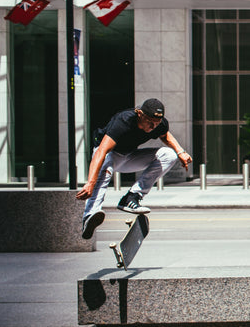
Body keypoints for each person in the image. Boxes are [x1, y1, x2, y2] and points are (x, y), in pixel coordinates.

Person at [76, 98, 192, 239]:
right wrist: (90, 183)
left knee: (169, 155)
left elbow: (165, 136)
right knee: (105, 166)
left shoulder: (159, 124)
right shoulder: (123, 121)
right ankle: (90, 215)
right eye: (150, 122)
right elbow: (101, 152)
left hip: (129, 157)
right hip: (109, 155)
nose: (153, 127)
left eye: (156, 123)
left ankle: (132, 197)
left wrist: (180, 152)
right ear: (140, 114)